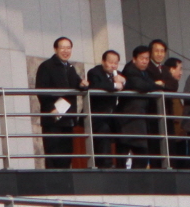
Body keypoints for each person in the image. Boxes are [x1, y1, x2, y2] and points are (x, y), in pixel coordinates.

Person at [33, 35, 85, 169]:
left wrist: (84, 84)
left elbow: (78, 84)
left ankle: (65, 185)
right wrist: (52, 108)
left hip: (67, 119)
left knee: (66, 156)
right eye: (62, 47)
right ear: (55, 49)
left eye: (68, 48)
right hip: (53, 118)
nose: (66, 51)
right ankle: (53, 187)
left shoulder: (70, 67)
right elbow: (41, 90)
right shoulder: (46, 66)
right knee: (53, 155)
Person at [119, 43, 162, 165]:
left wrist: (155, 86)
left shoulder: (144, 72)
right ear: (134, 59)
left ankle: (135, 181)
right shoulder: (130, 70)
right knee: (131, 153)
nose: (145, 61)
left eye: (147, 58)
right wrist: (156, 85)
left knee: (140, 155)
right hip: (129, 118)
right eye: (142, 58)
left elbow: (150, 85)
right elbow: (142, 85)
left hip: (138, 119)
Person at [85, 48, 124, 168]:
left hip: (111, 115)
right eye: (110, 62)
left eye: (116, 63)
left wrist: (124, 81)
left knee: (123, 132)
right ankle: (106, 165)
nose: (113, 65)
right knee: (103, 133)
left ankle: (122, 164)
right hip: (97, 116)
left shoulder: (118, 74)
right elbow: (97, 85)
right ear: (103, 61)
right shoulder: (94, 72)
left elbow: (129, 83)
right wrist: (114, 85)